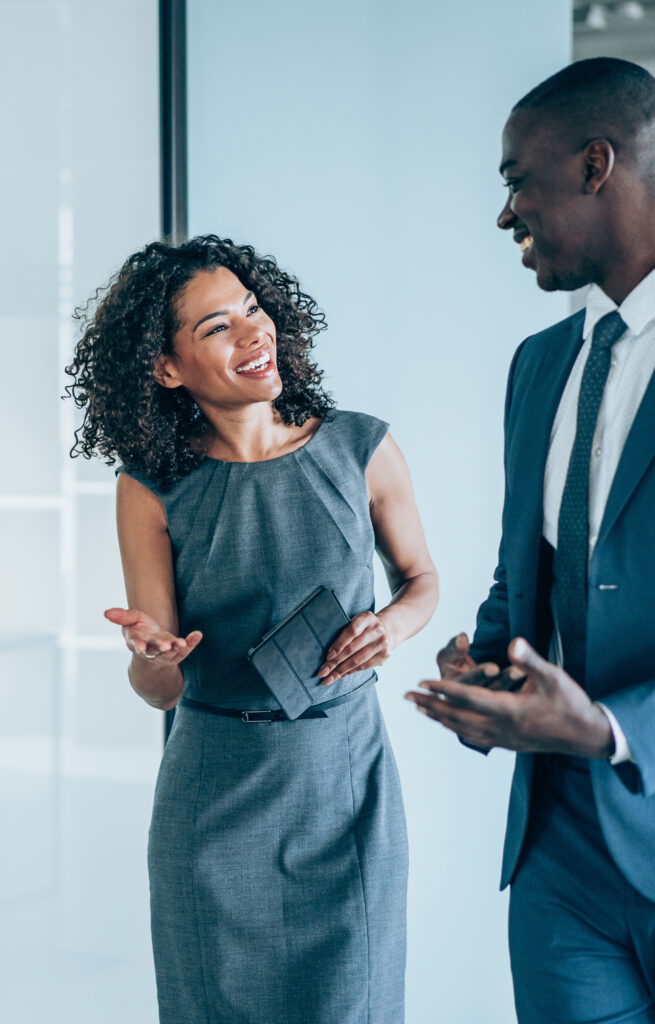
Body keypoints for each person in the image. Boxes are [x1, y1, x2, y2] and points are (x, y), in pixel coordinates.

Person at [66, 234, 438, 1024]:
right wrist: (154, 657)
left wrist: (394, 628)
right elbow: (157, 685)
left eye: (255, 310)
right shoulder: (152, 488)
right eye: (216, 327)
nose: (254, 332)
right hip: (214, 796)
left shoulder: (360, 446)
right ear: (165, 368)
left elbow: (422, 581)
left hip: (344, 786)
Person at [406, 57, 655, 1024]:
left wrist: (610, 729)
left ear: (595, 165)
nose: (504, 215)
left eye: (514, 180)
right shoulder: (539, 368)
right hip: (555, 850)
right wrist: (489, 661)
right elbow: (523, 573)